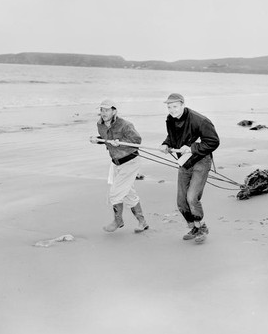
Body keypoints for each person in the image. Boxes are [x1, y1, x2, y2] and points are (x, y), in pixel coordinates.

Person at [159, 93, 220, 243]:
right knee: (181, 201)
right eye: (169, 107)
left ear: (182, 104)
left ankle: (201, 228)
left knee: (192, 197)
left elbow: (213, 142)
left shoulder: (200, 120)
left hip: (201, 160)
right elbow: (172, 138)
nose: (172, 110)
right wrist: (166, 144)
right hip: (184, 161)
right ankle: (194, 227)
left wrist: (192, 148)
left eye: (175, 106)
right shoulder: (170, 119)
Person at [89, 99, 149, 233]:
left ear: (114, 111)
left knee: (115, 194)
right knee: (128, 194)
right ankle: (142, 222)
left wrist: (120, 142)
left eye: (106, 110)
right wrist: (97, 140)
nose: (103, 113)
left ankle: (118, 220)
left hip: (130, 162)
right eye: (101, 110)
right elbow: (106, 138)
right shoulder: (100, 125)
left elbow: (137, 140)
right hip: (115, 163)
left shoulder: (125, 125)